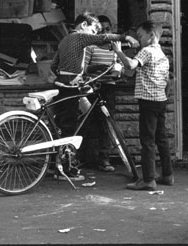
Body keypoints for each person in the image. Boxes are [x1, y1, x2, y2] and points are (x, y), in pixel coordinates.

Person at [50, 12, 138, 181]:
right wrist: (126, 37)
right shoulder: (80, 36)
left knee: (70, 122)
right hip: (70, 87)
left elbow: (55, 65)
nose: (93, 35)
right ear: (83, 25)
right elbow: (102, 39)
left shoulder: (64, 41)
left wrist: (91, 68)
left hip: (62, 85)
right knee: (69, 128)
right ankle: (65, 170)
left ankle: (62, 163)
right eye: (92, 30)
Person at [111, 20, 173, 190]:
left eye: (140, 35)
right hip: (160, 100)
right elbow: (167, 82)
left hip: (148, 101)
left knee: (147, 141)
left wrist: (118, 52)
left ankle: (148, 180)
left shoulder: (147, 51)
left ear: (151, 35)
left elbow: (131, 65)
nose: (138, 39)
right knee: (161, 139)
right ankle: (167, 175)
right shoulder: (162, 55)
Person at [83, 15, 123, 172]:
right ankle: (83, 157)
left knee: (107, 123)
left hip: (109, 87)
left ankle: (104, 158)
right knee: (87, 122)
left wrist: (118, 72)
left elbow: (120, 66)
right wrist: (97, 68)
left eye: (108, 29)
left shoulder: (115, 48)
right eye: (102, 30)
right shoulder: (91, 46)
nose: (106, 33)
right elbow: (84, 68)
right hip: (93, 87)